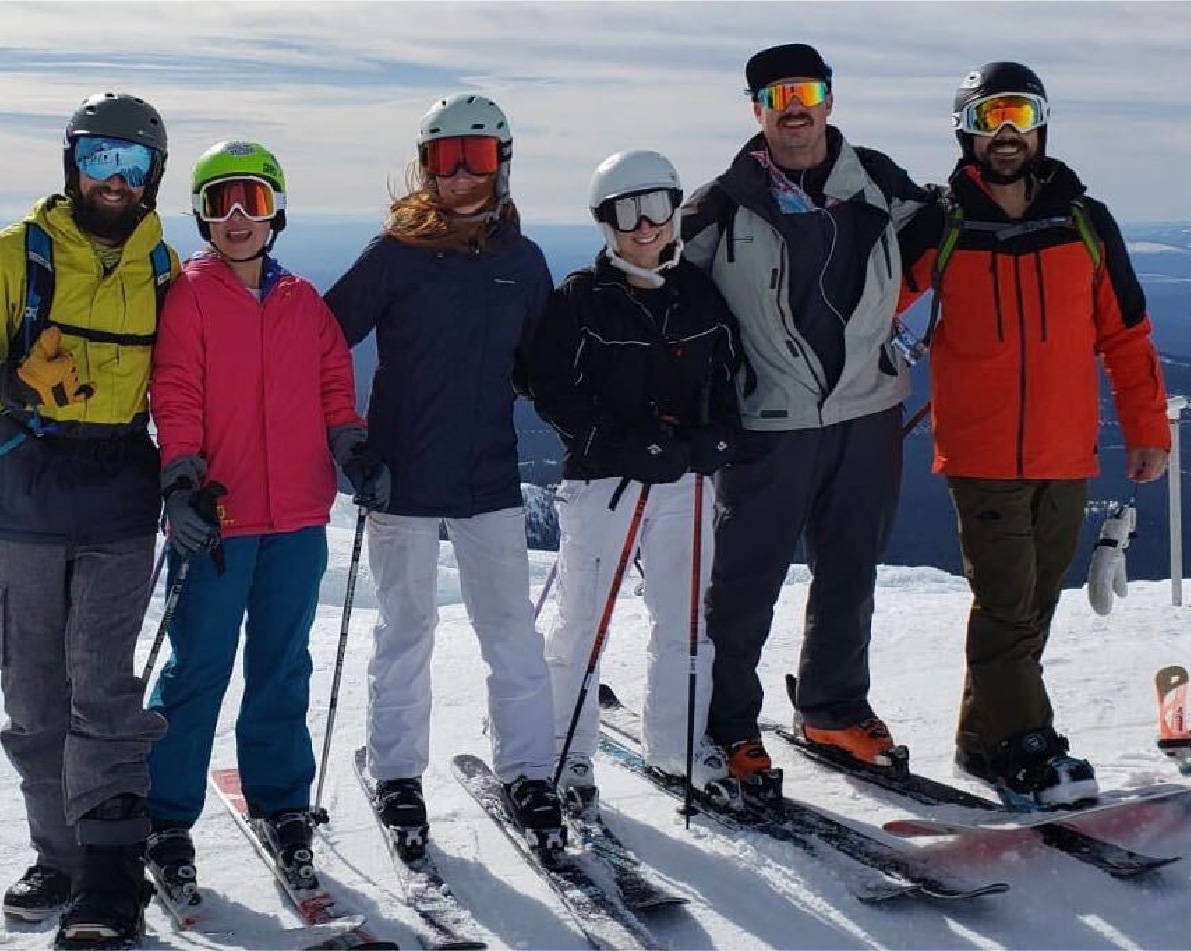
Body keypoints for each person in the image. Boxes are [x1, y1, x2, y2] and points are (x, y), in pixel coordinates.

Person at [0, 92, 178, 948]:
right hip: (29, 492)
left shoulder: (163, 268)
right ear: (72, 162)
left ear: (154, 176)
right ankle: (59, 857)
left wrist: (189, 476)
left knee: (102, 689)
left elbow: (181, 391)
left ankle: (112, 875)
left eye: (133, 164)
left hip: (119, 492)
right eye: (99, 160)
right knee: (34, 691)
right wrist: (10, 384)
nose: (114, 180)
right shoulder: (13, 255)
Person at [896, 62, 1171, 809]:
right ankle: (1028, 743)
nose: (1007, 132)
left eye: (1018, 113)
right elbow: (874, 302)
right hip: (981, 452)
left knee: (1034, 602)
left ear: (1042, 123)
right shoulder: (942, 221)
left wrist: (1147, 428)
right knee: (1005, 603)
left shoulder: (1083, 220)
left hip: (1063, 448)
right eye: (990, 117)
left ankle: (980, 740)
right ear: (966, 131)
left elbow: (1125, 333)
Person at [679, 43, 930, 792]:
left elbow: (944, 244)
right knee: (745, 581)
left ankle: (832, 706)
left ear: (828, 98)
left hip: (867, 410)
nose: (794, 105)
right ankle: (724, 724)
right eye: (776, 93)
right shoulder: (720, 202)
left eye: (807, 90)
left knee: (849, 571)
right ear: (755, 106)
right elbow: (670, 302)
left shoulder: (878, 182)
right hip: (768, 420)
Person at [324, 92, 565, 853]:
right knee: (406, 628)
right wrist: (348, 441)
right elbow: (324, 340)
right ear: (426, 167)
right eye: (445, 159)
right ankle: (398, 774)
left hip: (488, 477)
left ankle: (527, 770)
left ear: (502, 163)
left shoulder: (521, 263)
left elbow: (544, 369)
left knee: (510, 635)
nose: (462, 174)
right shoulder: (394, 254)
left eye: (478, 157)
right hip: (402, 478)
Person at [141, 140, 383, 893]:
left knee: (281, 666)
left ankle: (281, 802)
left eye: (251, 198)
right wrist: (180, 481)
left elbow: (333, 388)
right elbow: (174, 391)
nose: (237, 216)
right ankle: (164, 816)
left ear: (277, 208)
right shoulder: (188, 293)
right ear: (201, 216)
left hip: (297, 518)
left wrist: (352, 447)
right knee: (199, 668)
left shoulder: (301, 300)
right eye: (219, 202)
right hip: (217, 520)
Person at [525, 149, 744, 810]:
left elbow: (723, 375)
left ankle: (677, 744)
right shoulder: (581, 299)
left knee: (684, 617)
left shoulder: (698, 293)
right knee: (582, 623)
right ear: (605, 222)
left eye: (658, 207)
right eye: (627, 211)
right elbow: (549, 389)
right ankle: (565, 753)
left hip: (685, 480)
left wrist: (720, 433)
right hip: (605, 485)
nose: (645, 225)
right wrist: (620, 444)